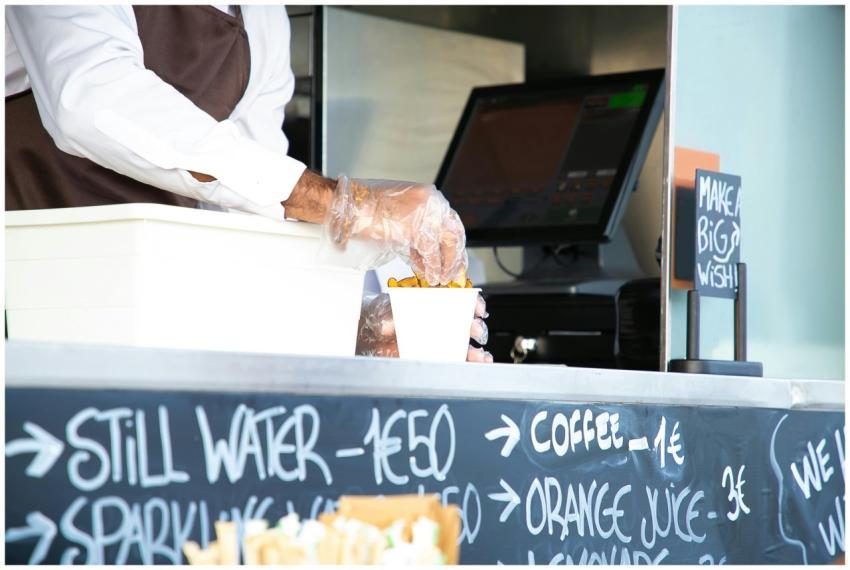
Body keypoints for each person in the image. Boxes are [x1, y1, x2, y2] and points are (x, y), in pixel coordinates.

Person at [5, 5, 492, 361]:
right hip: (29, 294)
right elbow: (90, 100)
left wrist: (350, 323)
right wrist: (345, 202)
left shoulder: (262, 16)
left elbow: (250, 209)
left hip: (149, 312)